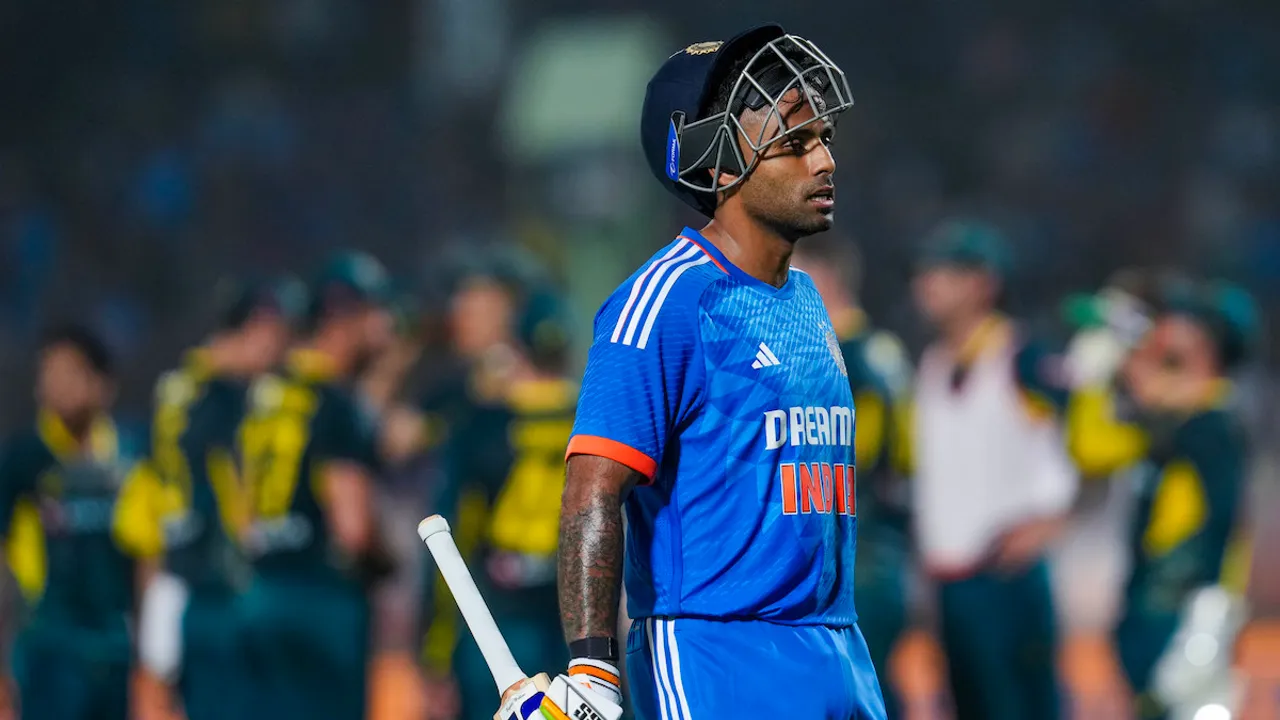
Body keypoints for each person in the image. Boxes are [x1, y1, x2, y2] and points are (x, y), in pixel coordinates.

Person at [548, 24, 886, 719]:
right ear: (717, 162)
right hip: (715, 656)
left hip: (835, 647)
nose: (824, 161)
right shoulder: (664, 302)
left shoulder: (808, 298)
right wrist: (590, 668)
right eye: (794, 144)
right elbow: (591, 488)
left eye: (822, 138)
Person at [908, 219, 1077, 720]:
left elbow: (1085, 438)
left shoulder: (1024, 357)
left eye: (943, 271)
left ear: (983, 283)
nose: (926, 283)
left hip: (1006, 580)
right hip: (951, 583)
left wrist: (1053, 517)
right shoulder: (933, 362)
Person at [237, 251, 396, 720]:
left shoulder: (264, 392)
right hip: (321, 602)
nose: (386, 326)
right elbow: (352, 528)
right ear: (344, 317)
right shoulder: (337, 404)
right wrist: (386, 561)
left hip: (260, 593)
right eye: (376, 311)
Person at [133, 277, 297, 720]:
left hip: (174, 574)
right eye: (277, 336)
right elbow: (227, 486)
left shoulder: (178, 387)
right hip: (215, 587)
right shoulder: (223, 398)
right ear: (256, 327)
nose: (281, 351)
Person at [423, 278, 579, 720]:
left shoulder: (479, 424)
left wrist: (434, 654)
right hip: (574, 628)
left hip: (494, 629)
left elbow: (449, 540)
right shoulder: (592, 422)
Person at [1105, 280, 1257, 719]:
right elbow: (1090, 444)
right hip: (1155, 605)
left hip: (1184, 609)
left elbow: (1223, 524)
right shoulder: (1171, 424)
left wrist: (1208, 615)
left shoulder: (1211, 422)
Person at [0, 325, 150, 720]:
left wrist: (150, 649)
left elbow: (148, 554)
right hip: (49, 641)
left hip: (115, 644)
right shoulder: (24, 459)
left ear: (103, 385)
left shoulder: (131, 457)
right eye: (48, 375)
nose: (56, 387)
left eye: (70, 373)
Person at [791, 235, 912, 718]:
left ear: (823, 277)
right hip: (883, 550)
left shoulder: (841, 357)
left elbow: (836, 464)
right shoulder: (884, 350)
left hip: (853, 559)